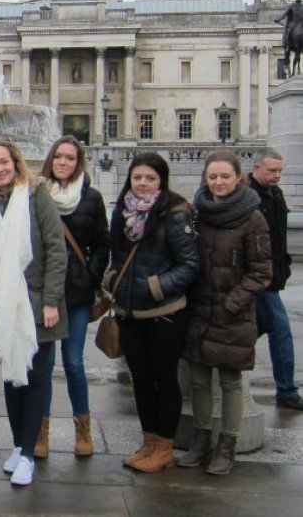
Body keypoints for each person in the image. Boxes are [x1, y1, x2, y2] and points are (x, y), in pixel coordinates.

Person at [0, 139, 68, 486]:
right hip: (5, 305)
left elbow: (56, 251)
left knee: (36, 379)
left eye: (4, 162)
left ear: (16, 163)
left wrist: (50, 301)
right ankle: (19, 444)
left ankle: (30, 453)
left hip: (38, 304)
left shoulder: (36, 196)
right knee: (11, 379)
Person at [178, 151, 271, 475]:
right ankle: (200, 442)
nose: (218, 182)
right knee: (200, 379)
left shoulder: (253, 217)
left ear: (238, 178)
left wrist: (232, 303)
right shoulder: (197, 213)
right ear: (205, 178)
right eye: (213, 177)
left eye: (224, 177)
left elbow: (261, 272)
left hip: (233, 312)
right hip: (199, 308)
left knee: (230, 381)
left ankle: (226, 448)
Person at [108, 152, 199, 473]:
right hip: (130, 312)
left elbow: (189, 265)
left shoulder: (175, 214)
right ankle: (148, 443)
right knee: (141, 381)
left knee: (164, 379)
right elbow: (116, 257)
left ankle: (164, 447)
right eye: (138, 178)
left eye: (150, 178)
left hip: (164, 313)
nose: (143, 184)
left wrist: (156, 287)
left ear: (161, 180)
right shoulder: (122, 212)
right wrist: (111, 280)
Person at [35, 136, 109, 458]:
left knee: (74, 363)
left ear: (79, 163)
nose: (63, 162)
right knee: (44, 363)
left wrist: (90, 277)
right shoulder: (37, 194)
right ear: (51, 160)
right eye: (59, 157)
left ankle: (83, 428)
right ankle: (41, 431)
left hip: (77, 293)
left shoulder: (91, 198)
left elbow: (103, 244)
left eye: (70, 158)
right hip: (44, 292)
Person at [247, 148, 303, 410]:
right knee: (281, 331)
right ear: (257, 168)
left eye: (280, 170)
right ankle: (287, 391)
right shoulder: (248, 197)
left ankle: (212, 366)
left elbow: (278, 237)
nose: (277, 175)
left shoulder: (276, 194)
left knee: (250, 331)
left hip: (275, 276)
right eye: (271, 170)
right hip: (260, 279)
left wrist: (286, 264)